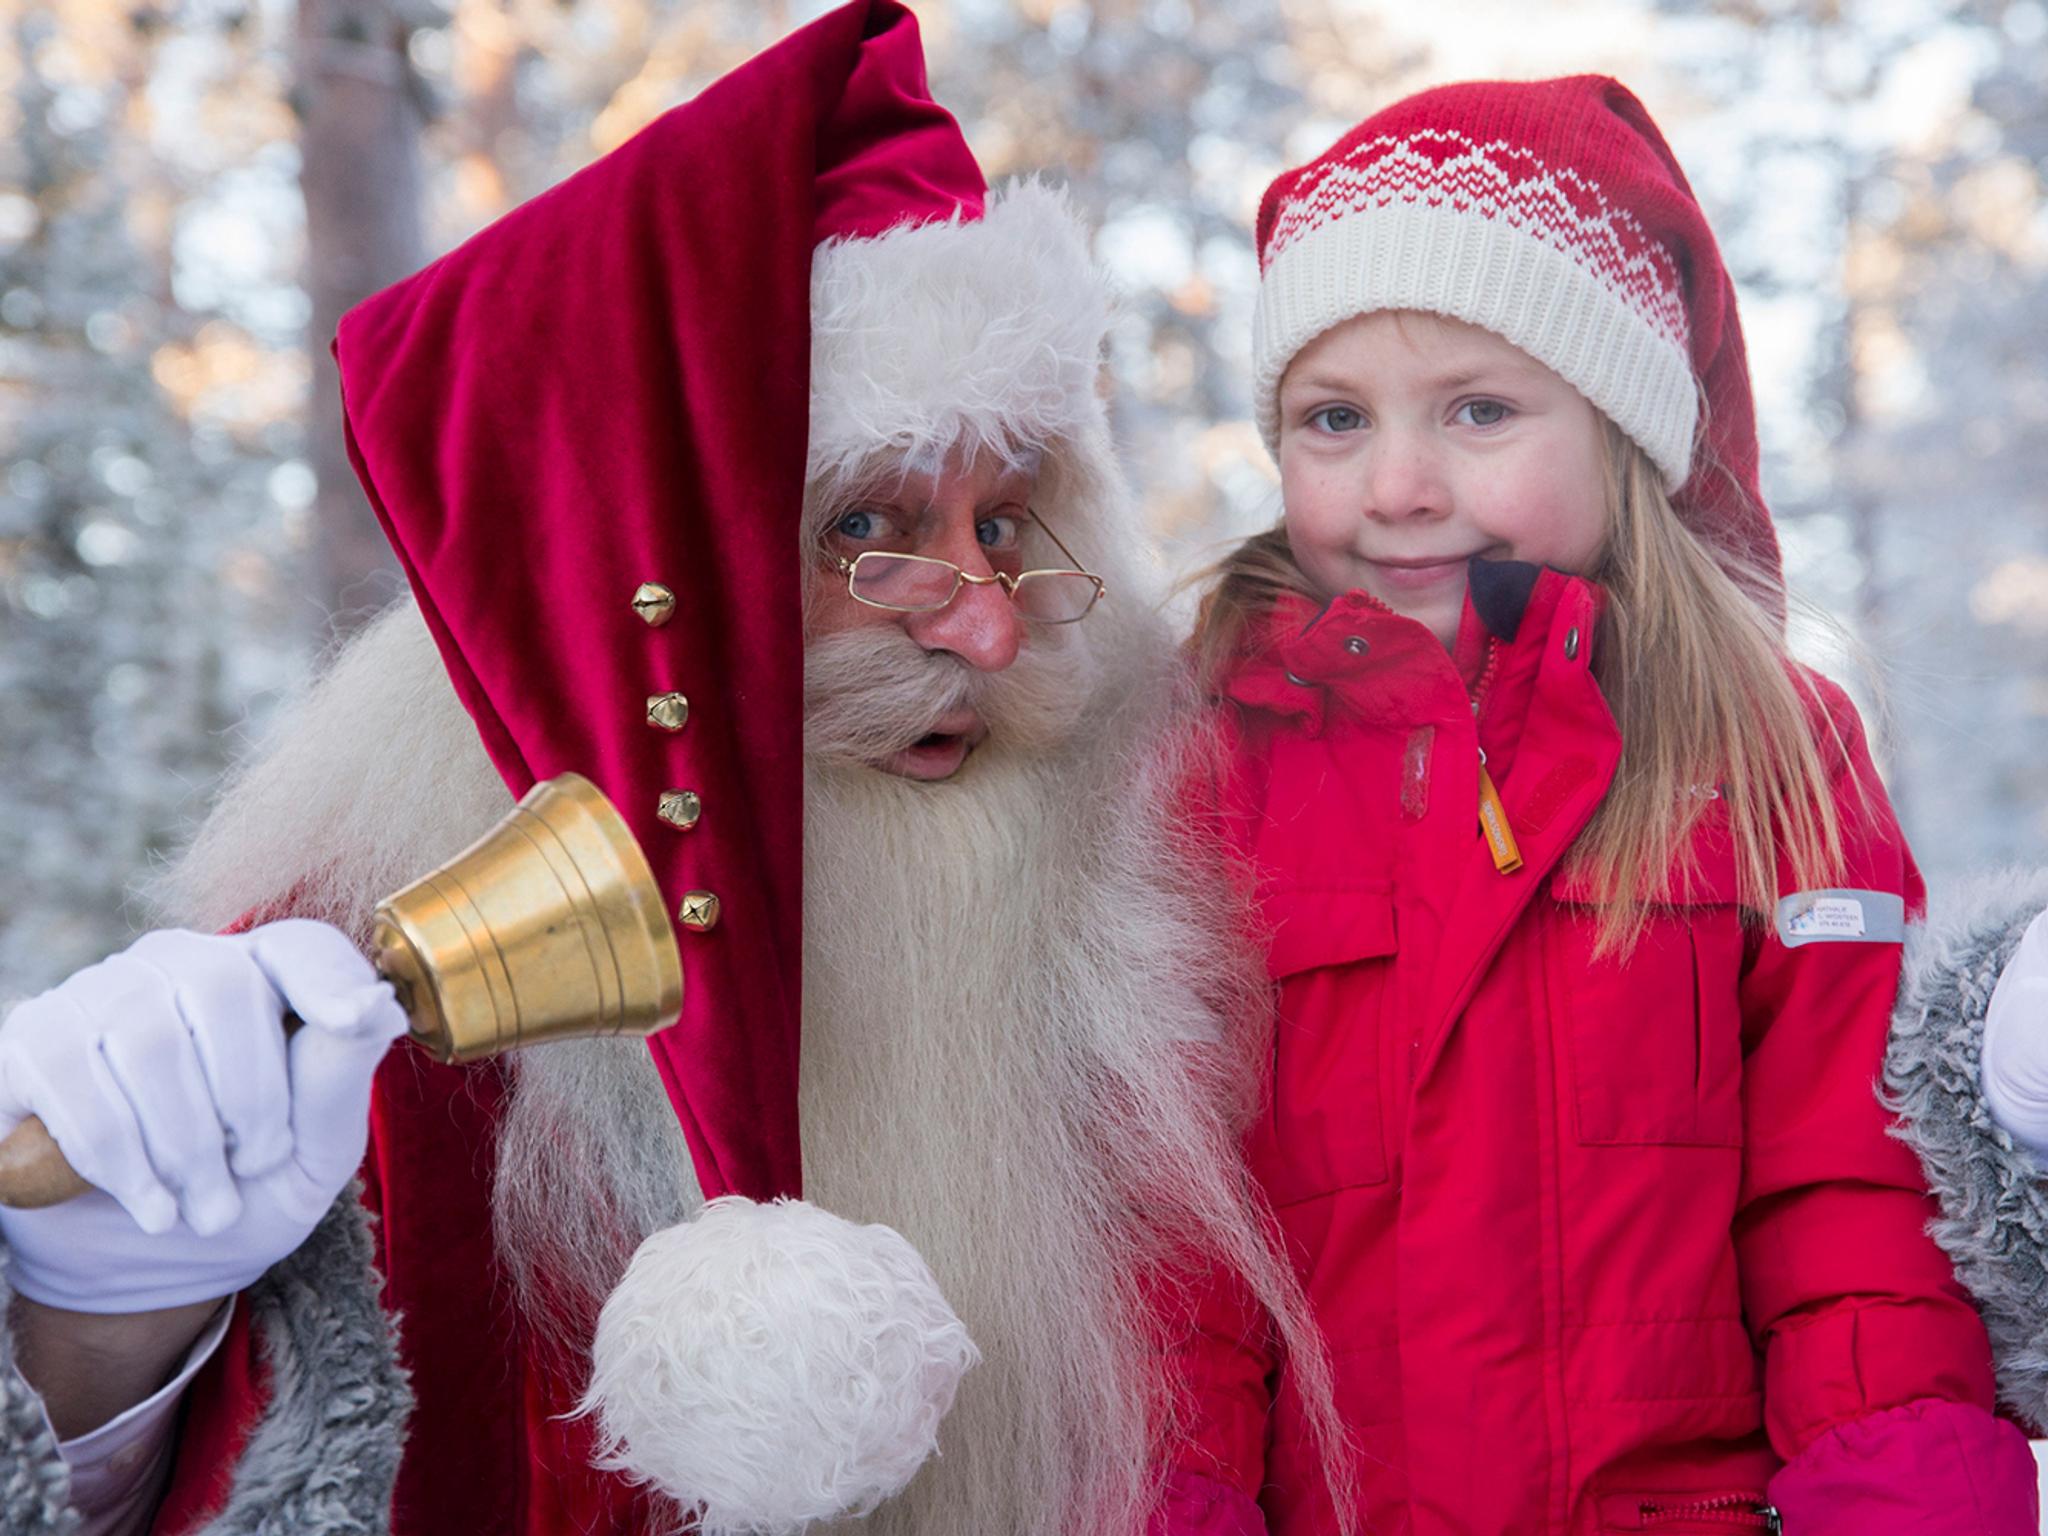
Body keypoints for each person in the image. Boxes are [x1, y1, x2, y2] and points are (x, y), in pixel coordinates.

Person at [0, 5, 1339, 1534]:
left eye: (1008, 521)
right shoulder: (350, 1002)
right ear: (641, 584)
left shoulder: (1173, 913)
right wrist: (103, 1328)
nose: (982, 621)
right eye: (863, 527)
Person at [1169, 77, 2042, 1533]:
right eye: (1333, 419)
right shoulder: (1209, 772)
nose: (1396, 482)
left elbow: (1853, 1208)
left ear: (1623, 429)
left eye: (1479, 410)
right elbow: (1177, 1257)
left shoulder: (1769, 756)